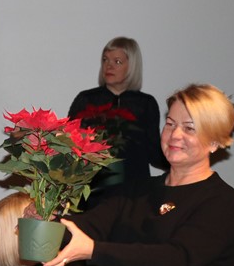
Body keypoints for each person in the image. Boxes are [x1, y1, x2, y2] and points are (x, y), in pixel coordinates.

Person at [44, 84, 234, 266]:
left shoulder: (221, 201)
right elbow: (86, 226)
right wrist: (46, 219)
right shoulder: (136, 190)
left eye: (189, 128)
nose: (174, 135)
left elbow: (175, 259)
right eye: (170, 123)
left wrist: (94, 250)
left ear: (214, 141)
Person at [68, 37, 167, 188]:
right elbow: (70, 143)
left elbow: (154, 153)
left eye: (117, 61)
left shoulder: (145, 103)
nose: (109, 66)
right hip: (93, 188)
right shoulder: (86, 99)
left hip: (136, 188)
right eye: (105, 60)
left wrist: (184, 163)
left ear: (132, 66)